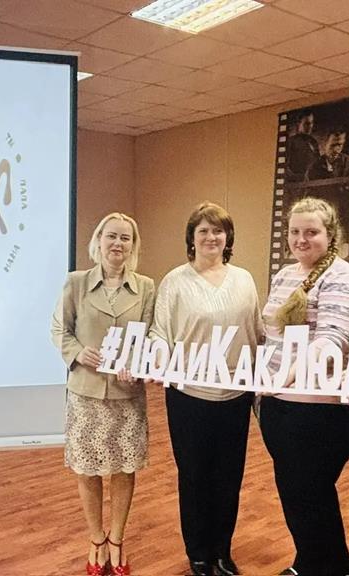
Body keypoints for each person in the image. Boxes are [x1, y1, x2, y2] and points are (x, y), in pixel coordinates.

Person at [258, 197, 349, 576]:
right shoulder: (284, 275)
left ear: (331, 234)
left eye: (311, 232)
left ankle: (332, 569)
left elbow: (332, 341)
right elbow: (271, 336)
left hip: (321, 409)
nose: (301, 239)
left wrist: (286, 376)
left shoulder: (345, 278)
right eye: (294, 231)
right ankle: (308, 563)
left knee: (311, 494)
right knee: (295, 493)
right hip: (279, 404)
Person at [149, 202, 262, 576]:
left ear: (228, 237)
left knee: (229, 477)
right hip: (189, 395)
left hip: (235, 394)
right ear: (192, 238)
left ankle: (222, 550)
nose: (211, 237)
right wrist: (156, 361)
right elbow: (160, 333)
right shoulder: (175, 281)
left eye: (218, 230)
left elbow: (257, 332)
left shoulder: (243, 279)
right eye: (203, 231)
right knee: (195, 475)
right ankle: (198, 552)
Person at [52, 212, 156, 576]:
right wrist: (78, 352)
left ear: (133, 245)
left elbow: (150, 336)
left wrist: (137, 362)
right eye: (111, 236)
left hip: (127, 395)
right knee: (88, 470)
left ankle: (117, 540)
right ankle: (96, 539)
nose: (118, 244)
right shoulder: (76, 282)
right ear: (98, 240)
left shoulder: (146, 287)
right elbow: (59, 329)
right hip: (86, 394)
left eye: (125, 238)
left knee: (124, 470)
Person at [285, 110, 320, 182]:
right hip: (297, 183)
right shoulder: (291, 141)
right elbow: (285, 168)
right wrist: (300, 178)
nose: (310, 126)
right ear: (298, 124)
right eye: (306, 124)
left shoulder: (313, 142)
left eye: (311, 123)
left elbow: (317, 162)